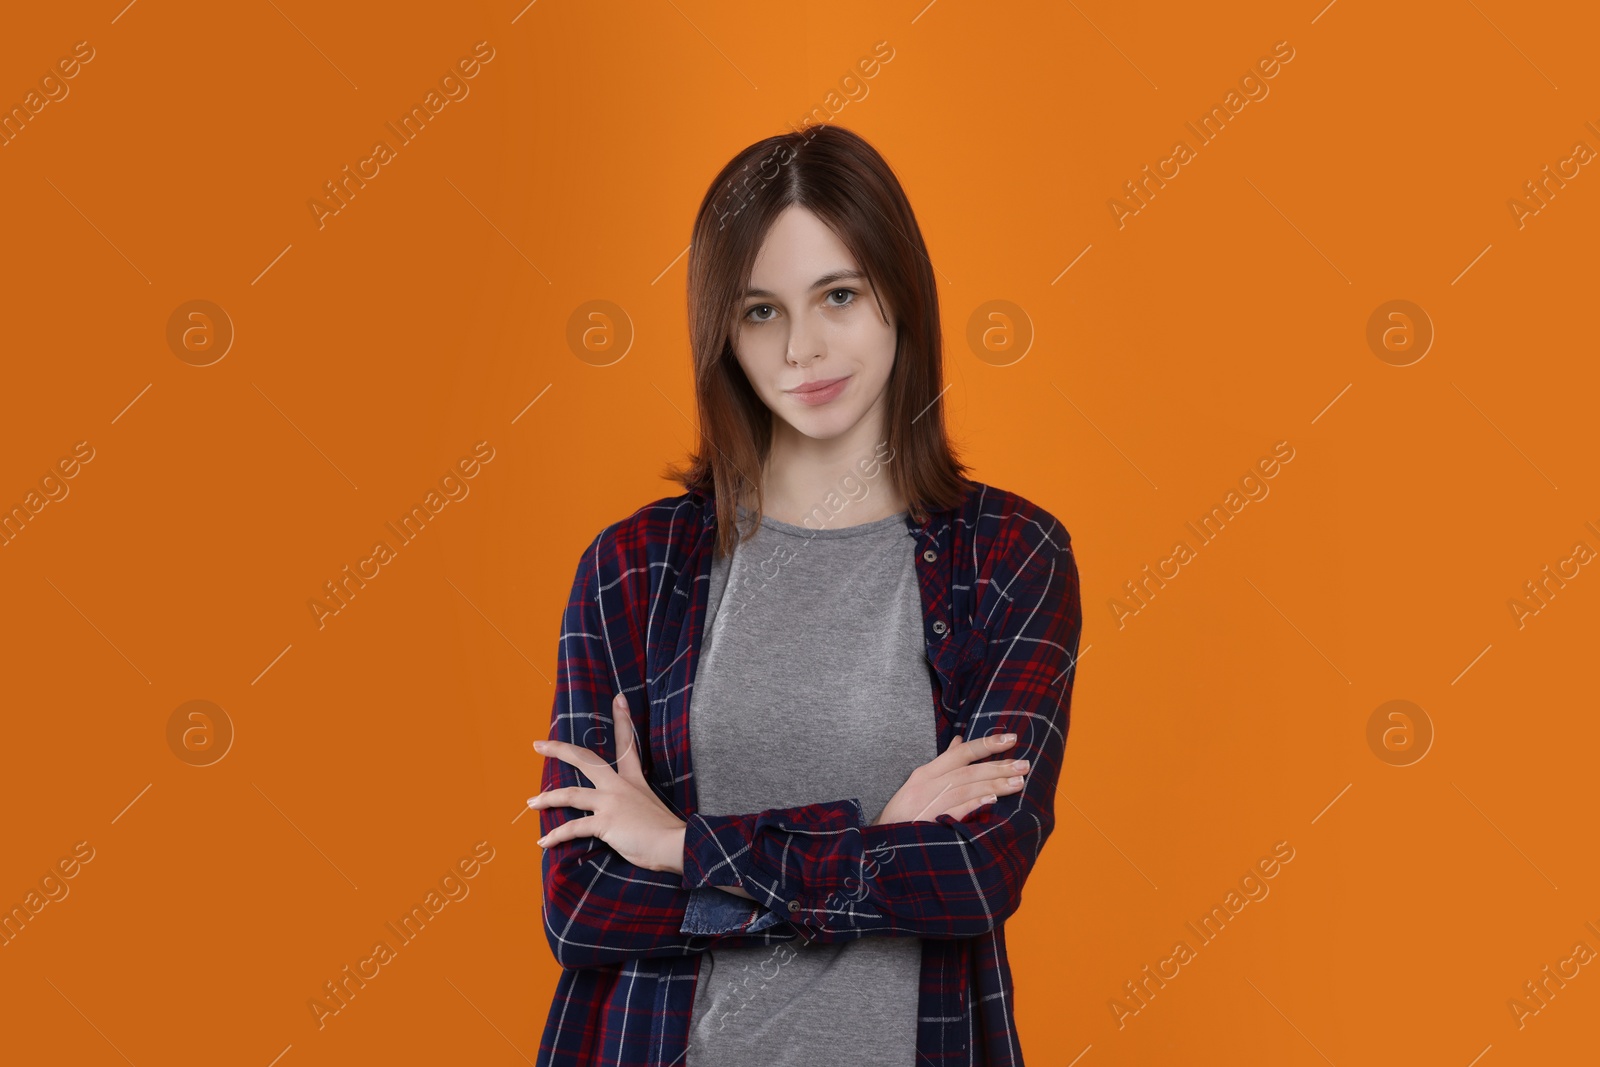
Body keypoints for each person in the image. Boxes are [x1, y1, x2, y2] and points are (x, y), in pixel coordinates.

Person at [526, 124, 1083, 1066]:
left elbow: (976, 873)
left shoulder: (1012, 557)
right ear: (721, 332)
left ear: (899, 296)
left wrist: (677, 848)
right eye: (759, 311)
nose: (802, 349)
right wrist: (878, 842)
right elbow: (582, 904)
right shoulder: (632, 568)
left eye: (838, 295)